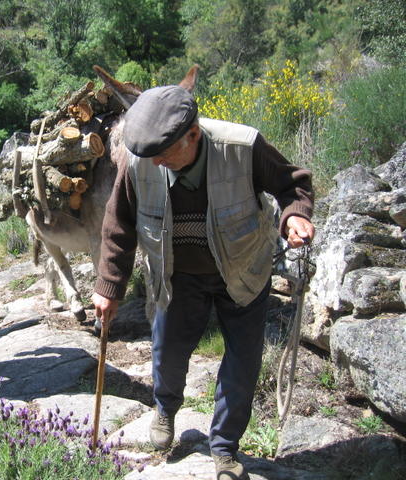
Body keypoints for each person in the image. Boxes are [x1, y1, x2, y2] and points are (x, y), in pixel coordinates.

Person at [92, 85, 315, 480]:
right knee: (168, 350)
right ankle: (165, 408)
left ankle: (225, 448)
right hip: (179, 276)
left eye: (164, 153)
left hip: (244, 270)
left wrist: (295, 214)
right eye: (150, 154)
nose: (157, 162)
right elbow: (119, 224)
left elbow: (291, 183)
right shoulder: (141, 159)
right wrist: (109, 286)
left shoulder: (242, 146)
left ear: (193, 133)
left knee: (242, 363)